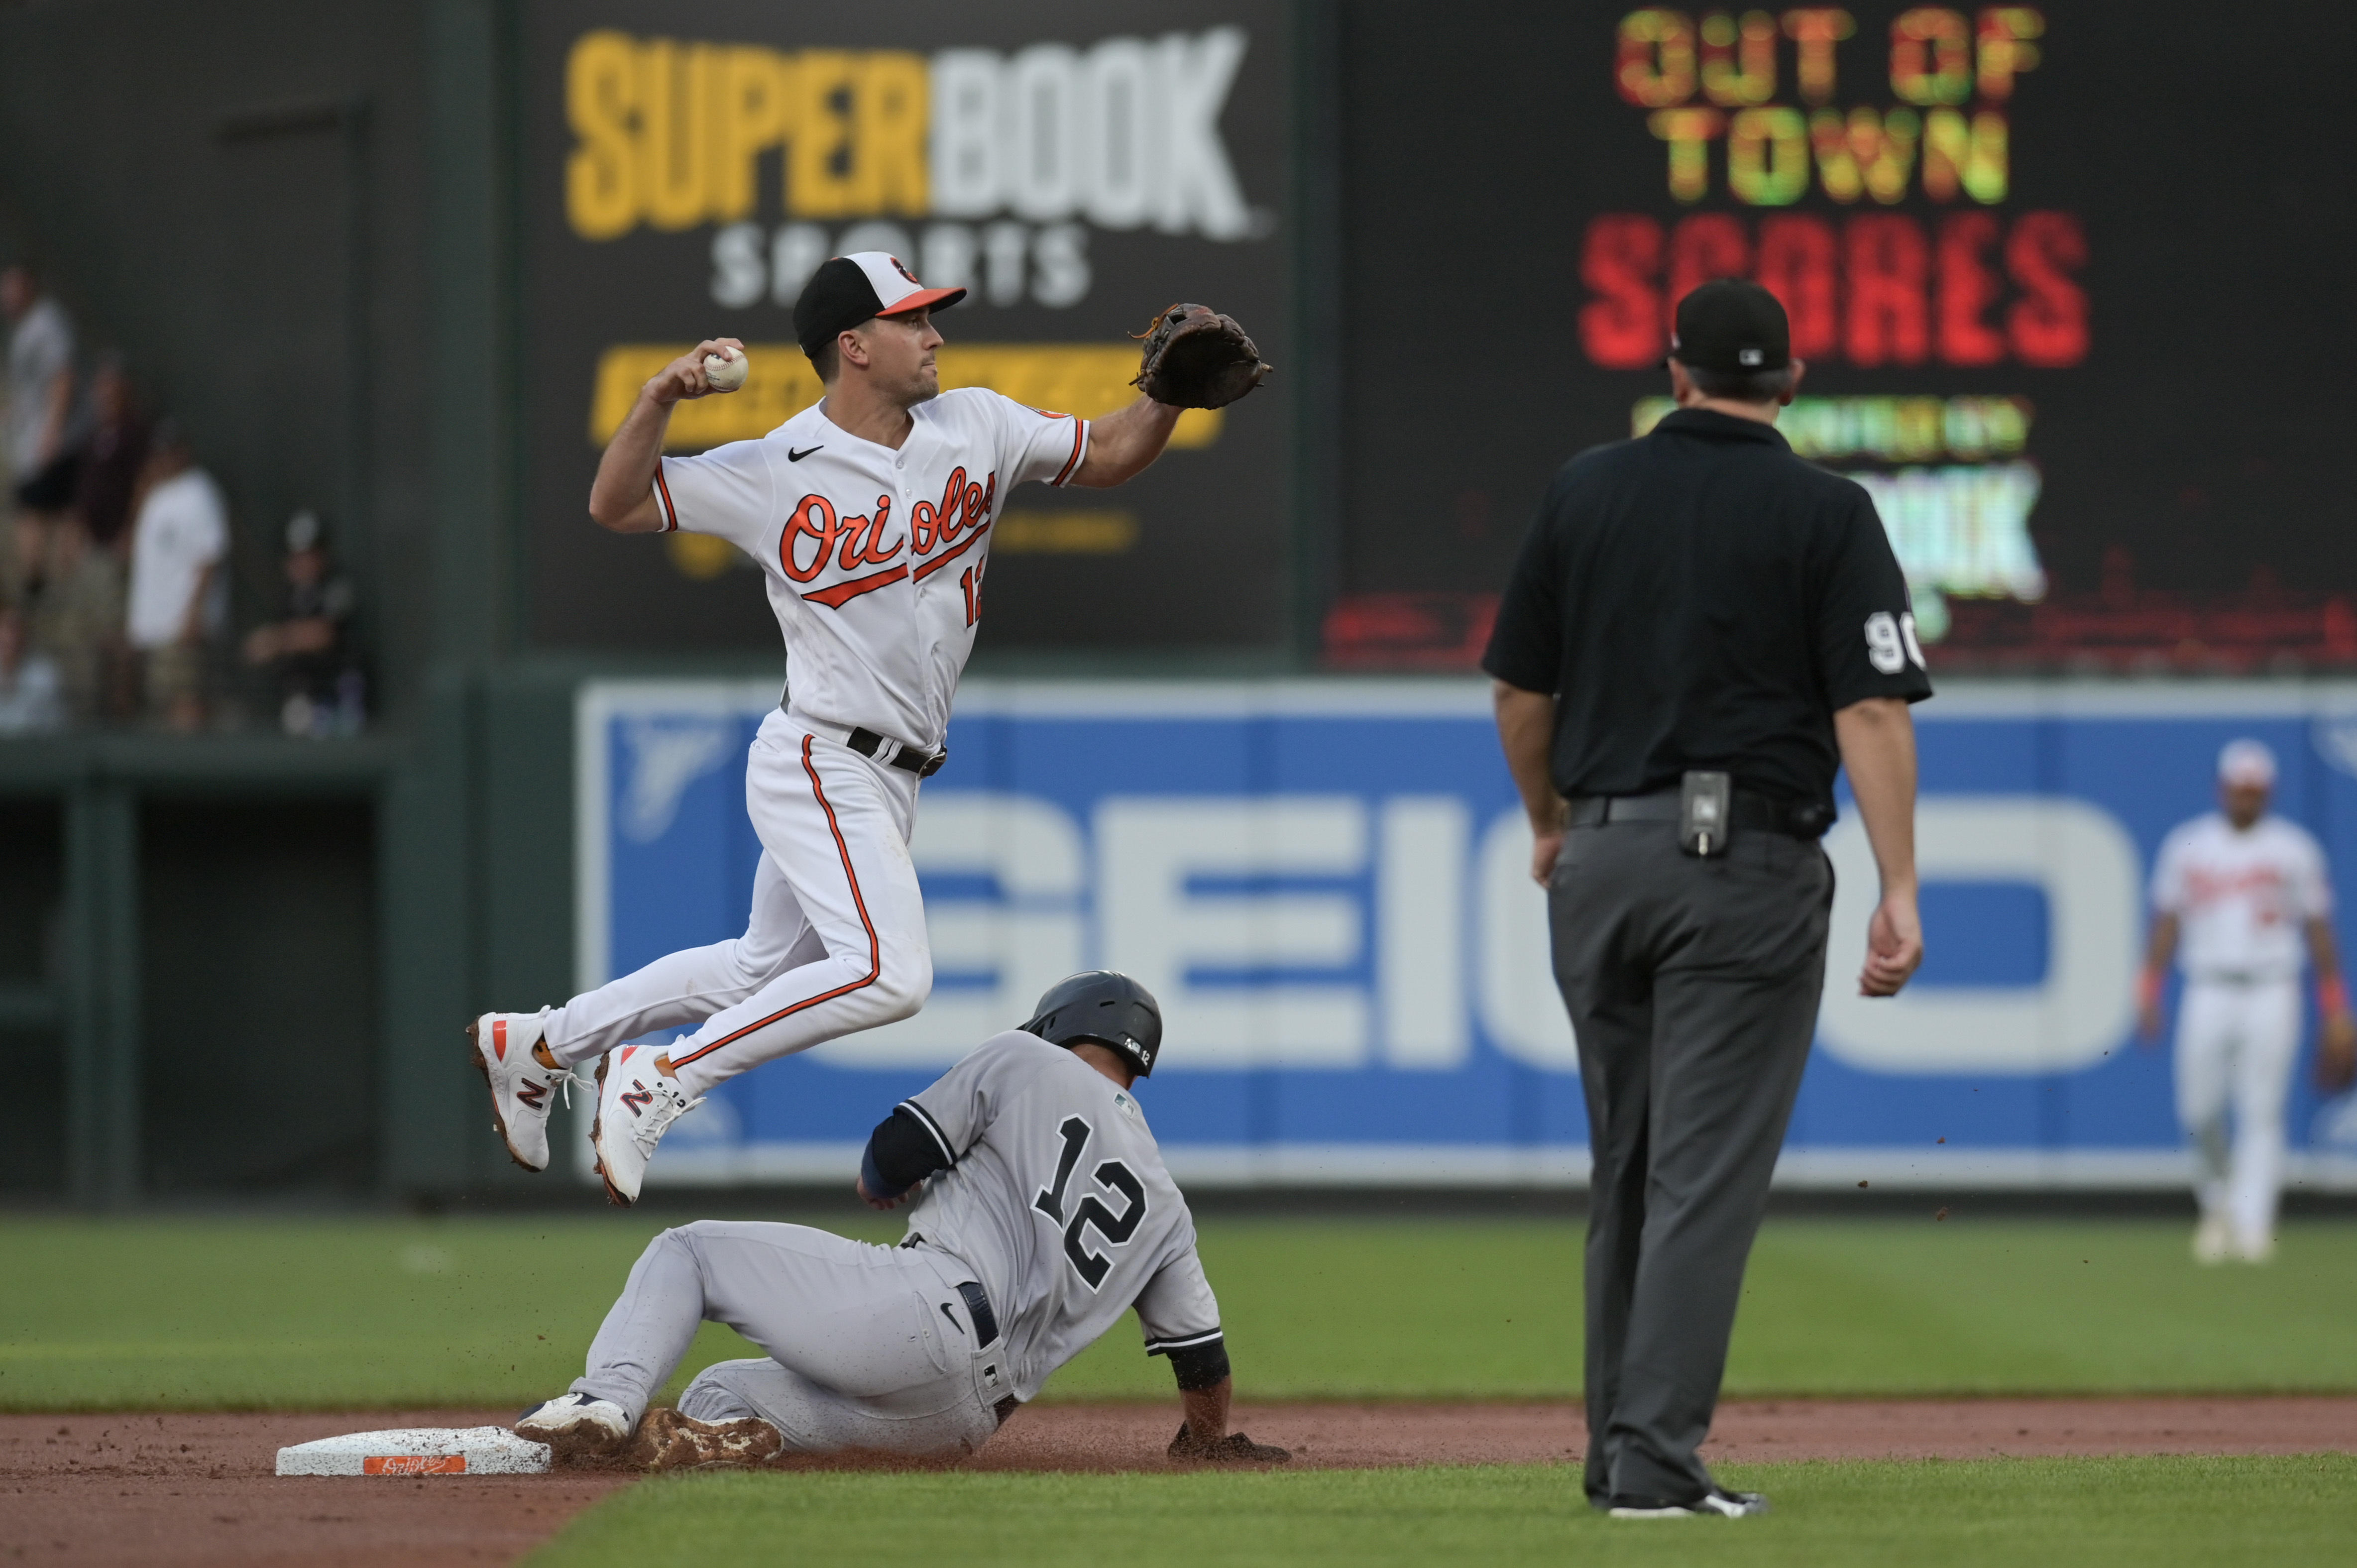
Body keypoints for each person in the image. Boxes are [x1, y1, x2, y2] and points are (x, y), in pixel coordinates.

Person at [470, 252, 1239, 1205]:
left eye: (931, 317)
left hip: (893, 776)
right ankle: (662, 1076)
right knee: (889, 973)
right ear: (854, 345)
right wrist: (656, 400)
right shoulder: (774, 467)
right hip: (820, 754)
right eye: (913, 320)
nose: (935, 336)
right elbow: (616, 503)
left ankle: (540, 1043)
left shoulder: (980, 423)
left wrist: (1165, 398)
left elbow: (1112, 453)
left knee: (757, 967)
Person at [1483, 279, 1930, 1520]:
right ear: (1787, 384)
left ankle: (1614, 1454)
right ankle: (1656, 1466)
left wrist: (1549, 820)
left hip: (1602, 863)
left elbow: (1520, 693)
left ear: (1675, 373)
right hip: (1746, 868)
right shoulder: (1827, 510)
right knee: (1696, 1178)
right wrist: (1898, 885)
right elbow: (1872, 707)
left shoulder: (1586, 488)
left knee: (1625, 1168)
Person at [512, 972, 1290, 1471]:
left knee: (688, 1253)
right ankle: (737, 1441)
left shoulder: (1024, 1058)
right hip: (960, 1422)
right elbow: (1201, 1354)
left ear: (1056, 1023)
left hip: (925, 1312)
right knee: (716, 1393)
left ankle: (602, 1400)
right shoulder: (1164, 1201)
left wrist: (888, 1178)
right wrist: (1208, 1437)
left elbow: (892, 1152)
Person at [2138, 739, 2355, 1264]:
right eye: (2239, 789)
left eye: (2255, 791)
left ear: (2269, 793)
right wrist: (2149, 988)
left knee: (2262, 1112)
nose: (2246, 799)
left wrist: (2335, 1007)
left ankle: (2254, 1222)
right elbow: (2166, 921)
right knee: (2199, 1109)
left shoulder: (2293, 848)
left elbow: (2318, 932)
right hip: (2207, 985)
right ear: (2222, 789)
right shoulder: (2189, 844)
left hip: (2273, 986)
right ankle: (2219, 1205)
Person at [123, 421, 228, 732]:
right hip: (152, 629)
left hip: (180, 628)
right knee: (159, 708)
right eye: (159, 453)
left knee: (186, 705)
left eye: (170, 451)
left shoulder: (198, 492)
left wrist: (194, 615)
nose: (164, 458)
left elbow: (210, 556)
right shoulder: (158, 493)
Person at [242, 509, 361, 736]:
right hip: (302, 699)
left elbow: (323, 634)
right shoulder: (290, 597)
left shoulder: (337, 587)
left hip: (337, 698)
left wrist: (277, 640)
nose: (303, 563)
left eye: (310, 555)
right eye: (296, 556)